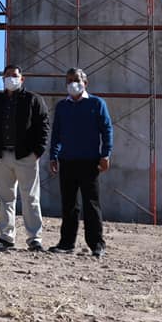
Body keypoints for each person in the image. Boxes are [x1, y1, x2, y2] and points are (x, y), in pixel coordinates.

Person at [48, 67, 113, 258]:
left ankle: (96, 244)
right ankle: (66, 242)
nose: (72, 84)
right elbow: (57, 133)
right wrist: (53, 156)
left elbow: (107, 129)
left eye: (76, 80)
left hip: (90, 161)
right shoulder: (62, 106)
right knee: (69, 204)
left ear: (86, 82)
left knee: (91, 204)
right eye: (68, 81)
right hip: (67, 160)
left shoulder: (96, 103)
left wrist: (105, 154)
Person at [0, 65, 50, 251]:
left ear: (22, 79)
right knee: (6, 198)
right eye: (7, 76)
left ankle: (34, 238)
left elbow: (43, 125)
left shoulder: (33, 100)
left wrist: (38, 151)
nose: (10, 79)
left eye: (14, 75)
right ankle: (6, 236)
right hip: (1, 155)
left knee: (30, 198)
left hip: (26, 156)